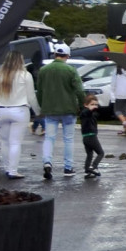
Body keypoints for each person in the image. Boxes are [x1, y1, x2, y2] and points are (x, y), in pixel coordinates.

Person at [37, 42, 86, 179]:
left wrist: (42, 105)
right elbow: (79, 90)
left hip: (50, 109)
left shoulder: (43, 70)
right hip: (68, 109)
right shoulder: (71, 70)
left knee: (49, 138)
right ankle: (68, 167)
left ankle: (47, 162)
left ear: (55, 54)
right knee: (68, 139)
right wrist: (83, 105)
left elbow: (39, 91)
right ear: (67, 56)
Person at [0, 51, 41, 179]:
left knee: (4, 142)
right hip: (19, 110)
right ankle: (13, 170)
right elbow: (31, 97)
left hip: (0, 110)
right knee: (15, 142)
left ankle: (6, 167)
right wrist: (38, 112)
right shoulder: (25, 75)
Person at [80, 95, 104, 178]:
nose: (94, 106)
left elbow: (98, 112)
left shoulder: (92, 114)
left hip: (86, 137)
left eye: (96, 105)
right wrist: (90, 109)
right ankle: (93, 167)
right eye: (92, 104)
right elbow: (87, 113)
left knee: (89, 154)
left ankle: (87, 171)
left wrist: (95, 107)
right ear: (85, 105)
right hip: (91, 137)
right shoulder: (85, 112)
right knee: (101, 153)